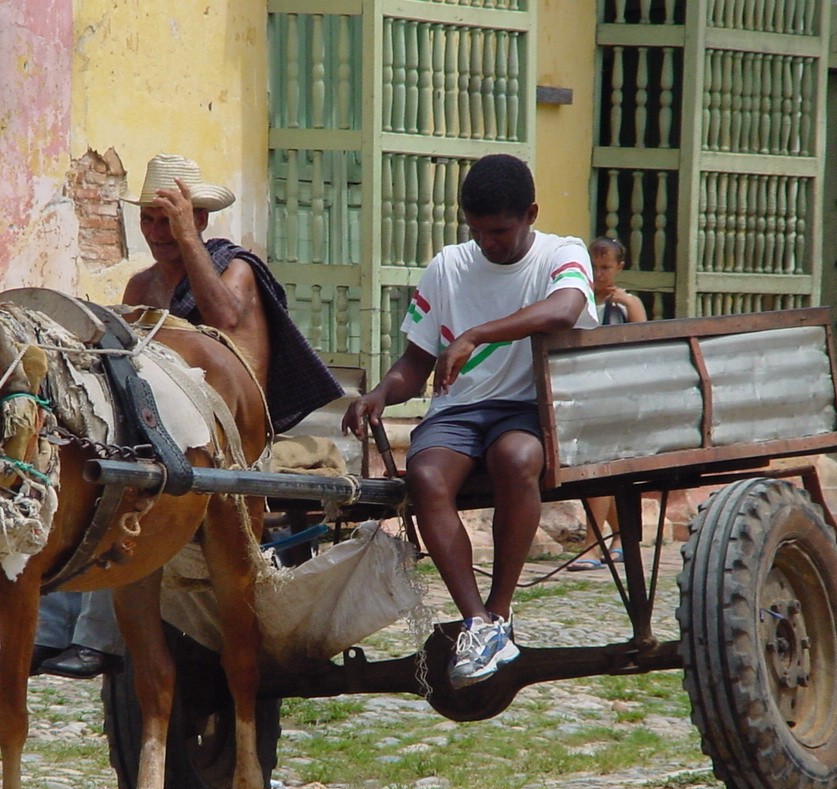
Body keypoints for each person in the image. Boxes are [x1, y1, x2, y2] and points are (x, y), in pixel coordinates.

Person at [36, 154, 343, 679]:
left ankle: (95, 642)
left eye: (170, 219)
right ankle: (44, 635)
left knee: (122, 506)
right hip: (155, 435)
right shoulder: (140, 288)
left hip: (229, 443)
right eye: (150, 220)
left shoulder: (237, 270)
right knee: (79, 486)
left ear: (200, 219)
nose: (158, 232)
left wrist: (188, 241)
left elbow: (223, 316)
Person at [342, 154, 597, 688]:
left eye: (499, 231)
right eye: (477, 231)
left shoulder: (562, 253)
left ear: (531, 214)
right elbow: (415, 364)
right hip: (459, 411)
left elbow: (564, 310)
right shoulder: (448, 265)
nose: (488, 243)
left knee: (517, 457)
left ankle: (500, 611)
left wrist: (475, 334)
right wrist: (381, 394)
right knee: (426, 476)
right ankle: (476, 620)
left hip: (528, 408)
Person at [568, 236, 648, 573]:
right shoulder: (578, 300)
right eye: (595, 267)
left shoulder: (626, 305)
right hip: (586, 390)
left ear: (619, 268)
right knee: (604, 468)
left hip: (617, 395)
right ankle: (621, 538)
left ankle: (591, 545)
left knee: (599, 468)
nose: (600, 274)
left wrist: (627, 303)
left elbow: (644, 341)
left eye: (606, 267)